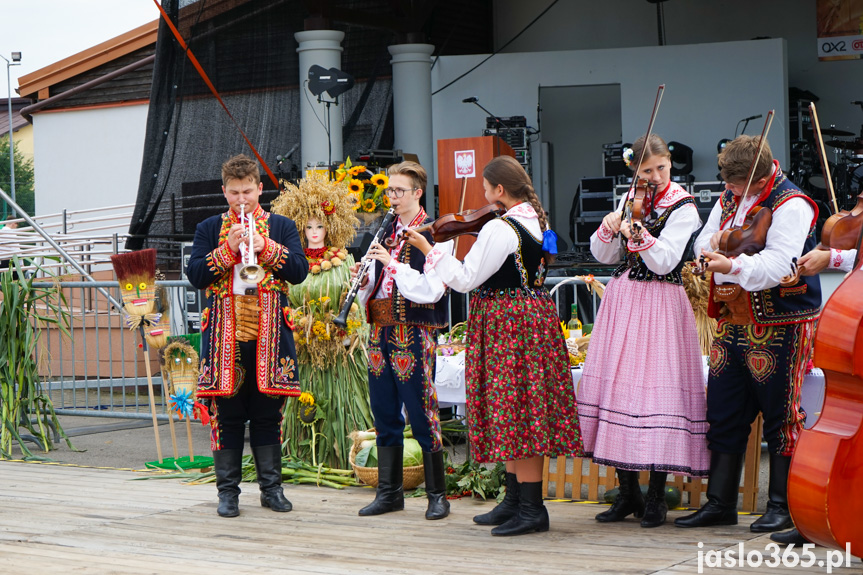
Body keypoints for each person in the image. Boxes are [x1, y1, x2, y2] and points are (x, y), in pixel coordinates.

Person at [406, 155, 582, 536]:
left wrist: (429, 249)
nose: (481, 200)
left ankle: (532, 509)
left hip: (509, 322)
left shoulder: (502, 229)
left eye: (486, 190)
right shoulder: (536, 219)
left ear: (499, 191)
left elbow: (466, 279)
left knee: (518, 412)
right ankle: (516, 500)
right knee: (520, 409)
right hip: (530, 318)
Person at [675, 135, 821, 533]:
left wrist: (733, 263)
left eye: (737, 186)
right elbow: (705, 239)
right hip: (732, 320)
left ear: (758, 181)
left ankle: (783, 506)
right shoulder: (727, 197)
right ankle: (720, 502)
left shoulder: (792, 204)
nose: (730, 192)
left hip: (782, 322)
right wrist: (716, 248)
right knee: (723, 411)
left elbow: (778, 263)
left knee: (781, 416)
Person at [579, 134, 709, 529]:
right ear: (633, 169)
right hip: (623, 299)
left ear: (670, 165)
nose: (654, 177)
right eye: (646, 171)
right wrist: (609, 226)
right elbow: (603, 256)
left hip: (661, 302)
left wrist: (641, 234)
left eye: (661, 169)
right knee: (619, 389)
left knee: (657, 392)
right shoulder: (628, 200)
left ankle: (656, 496)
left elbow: (664, 259)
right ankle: (628, 492)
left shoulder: (683, 206)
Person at [186, 154, 308, 518]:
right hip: (226, 335)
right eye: (235, 192)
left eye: (248, 192)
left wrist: (265, 248)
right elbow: (196, 275)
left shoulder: (282, 225)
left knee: (268, 414)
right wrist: (226, 251)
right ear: (224, 192)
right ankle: (228, 494)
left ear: (260, 189)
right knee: (227, 415)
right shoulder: (208, 228)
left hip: (270, 334)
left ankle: (272, 490)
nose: (242, 200)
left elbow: (300, 270)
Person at [349, 160, 454, 520]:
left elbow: (432, 290)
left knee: (423, 410)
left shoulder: (437, 233)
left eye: (398, 190)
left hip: (414, 331)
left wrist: (391, 265)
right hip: (380, 329)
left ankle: (437, 495)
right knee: (383, 410)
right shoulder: (382, 232)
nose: (391, 197)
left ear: (417, 192)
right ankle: (389, 492)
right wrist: (361, 279)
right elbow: (374, 288)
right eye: (389, 190)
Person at [270, 175, 373, 470]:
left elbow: (353, 304)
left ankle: (348, 458)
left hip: (339, 354)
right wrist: (300, 325)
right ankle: (304, 458)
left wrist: (345, 330)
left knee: (345, 402)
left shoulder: (344, 263)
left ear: (331, 227)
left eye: (320, 227)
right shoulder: (294, 263)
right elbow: (286, 303)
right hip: (305, 353)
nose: (315, 232)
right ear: (301, 228)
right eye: (309, 227)